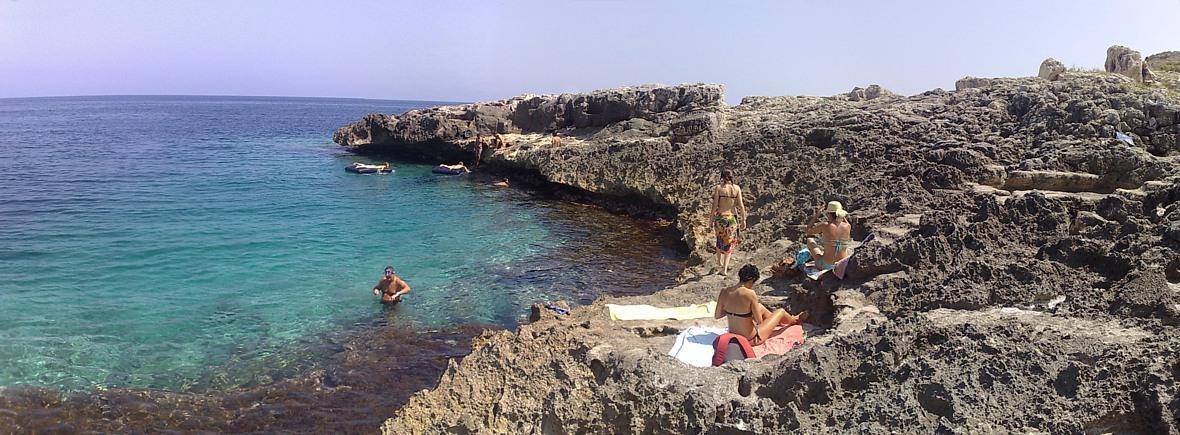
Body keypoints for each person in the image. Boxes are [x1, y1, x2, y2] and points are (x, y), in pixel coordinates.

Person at [714, 264, 807, 346]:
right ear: (751, 280)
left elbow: (717, 316)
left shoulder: (724, 291)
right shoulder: (750, 294)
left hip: (733, 337)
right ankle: (794, 320)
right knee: (780, 312)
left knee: (760, 307)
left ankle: (778, 321)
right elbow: (759, 321)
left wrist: (733, 312)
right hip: (751, 339)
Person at [710, 169, 747, 275]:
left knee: (719, 239)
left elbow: (714, 206)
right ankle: (724, 269)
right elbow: (741, 206)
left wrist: (711, 219)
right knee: (729, 243)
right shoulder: (737, 189)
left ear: (722, 176)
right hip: (731, 219)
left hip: (721, 218)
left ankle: (719, 261)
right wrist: (743, 219)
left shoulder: (719, 188)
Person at [804, 201, 853, 270]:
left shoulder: (825, 225)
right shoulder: (848, 226)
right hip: (842, 264)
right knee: (843, 246)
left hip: (826, 265)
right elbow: (845, 223)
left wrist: (817, 215)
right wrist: (841, 216)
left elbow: (807, 231)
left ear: (829, 214)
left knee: (810, 240)